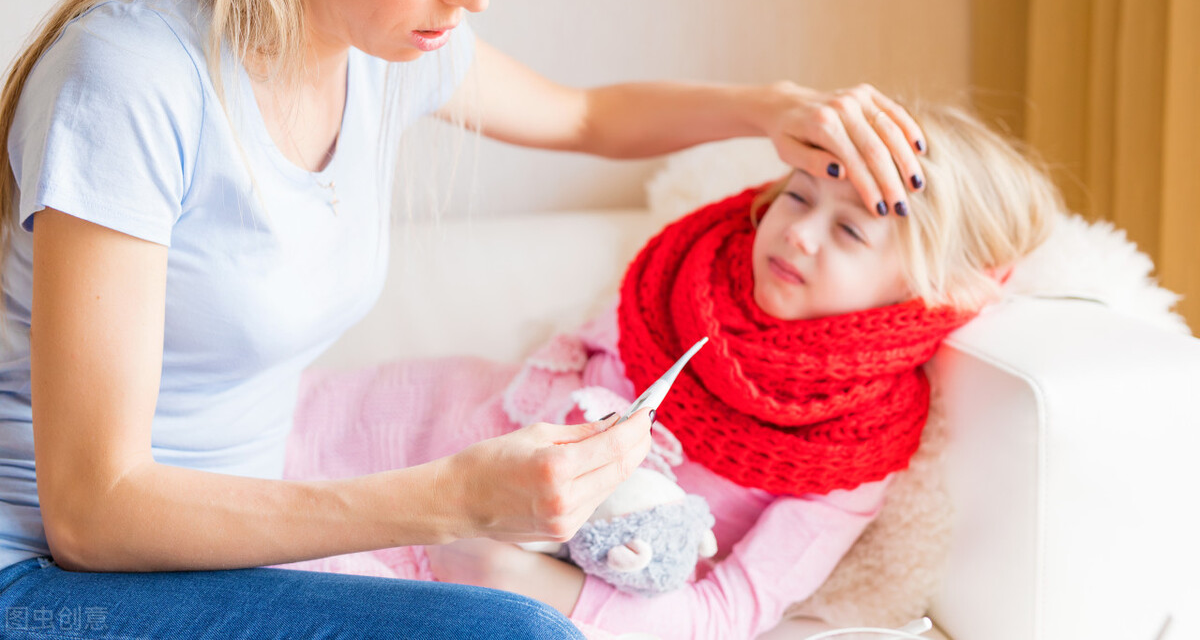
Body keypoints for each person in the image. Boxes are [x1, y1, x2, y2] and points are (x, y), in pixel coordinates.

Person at [0, 0, 927, 638]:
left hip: (210, 566)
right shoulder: (130, 79)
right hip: (42, 580)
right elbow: (95, 515)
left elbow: (588, 117)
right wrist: (452, 498)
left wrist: (774, 109)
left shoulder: (384, 44)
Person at [280, 100, 1059, 639]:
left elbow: (723, 618)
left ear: (938, 290)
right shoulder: (682, 288)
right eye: (797, 195)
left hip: (467, 555)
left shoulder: (853, 453)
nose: (799, 234)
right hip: (400, 419)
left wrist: (521, 581)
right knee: (209, 463)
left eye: (851, 231)